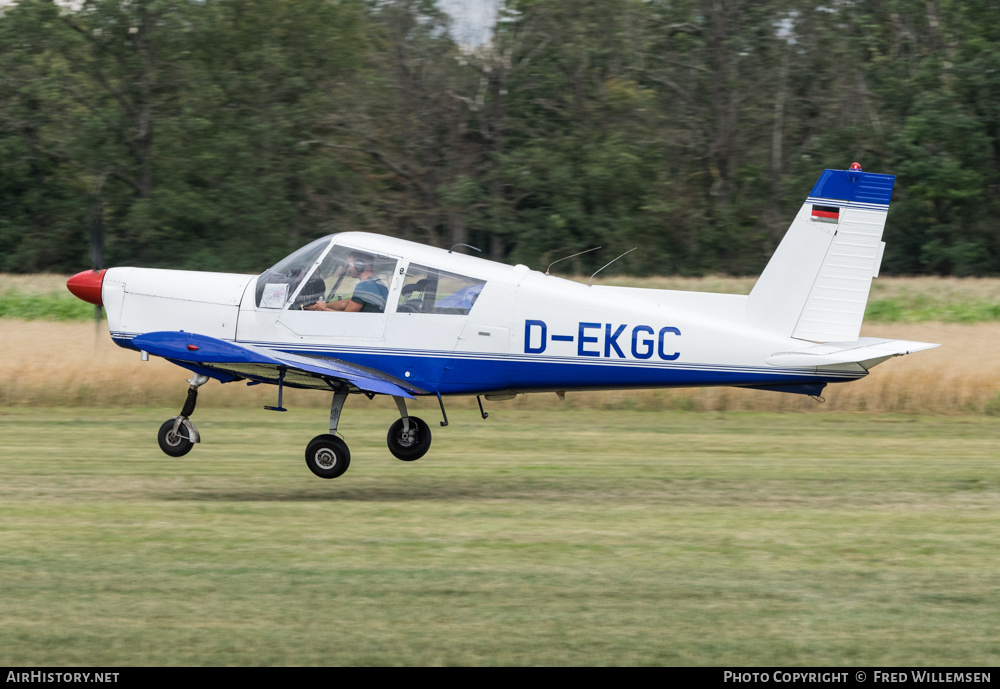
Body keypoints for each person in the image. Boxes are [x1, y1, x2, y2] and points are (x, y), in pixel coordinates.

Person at [305, 252, 388, 313]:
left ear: (359, 265)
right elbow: (346, 303)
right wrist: (317, 306)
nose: (349, 269)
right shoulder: (378, 283)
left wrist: (323, 309)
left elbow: (347, 317)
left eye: (351, 265)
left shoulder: (365, 286)